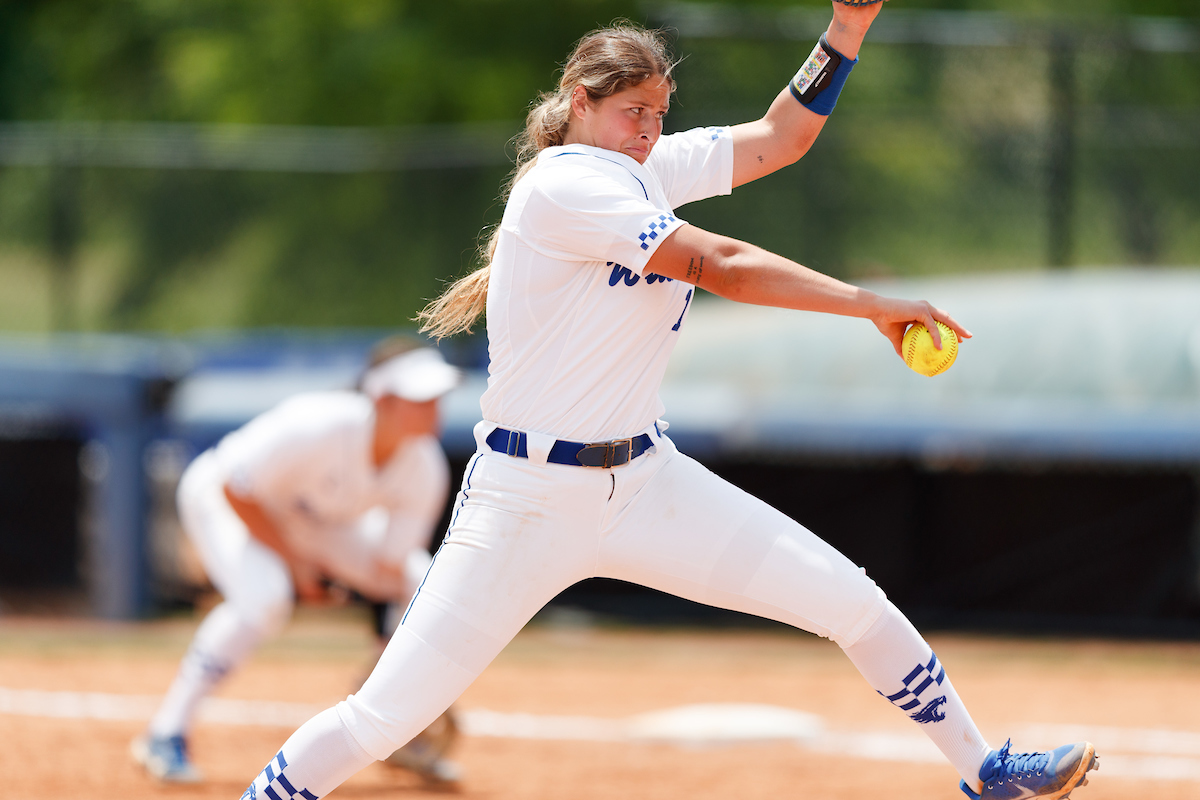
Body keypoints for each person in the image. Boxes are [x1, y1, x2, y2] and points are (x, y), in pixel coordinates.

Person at [238, 5, 1100, 800]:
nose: (649, 131)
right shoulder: (564, 185)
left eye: (658, 112)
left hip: (646, 484)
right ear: (580, 103)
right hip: (524, 503)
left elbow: (780, 138)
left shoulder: (647, 168)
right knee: (382, 719)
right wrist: (872, 304)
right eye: (632, 112)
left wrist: (846, 27)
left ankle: (984, 768)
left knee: (852, 601)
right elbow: (719, 263)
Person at [133, 338, 465, 787]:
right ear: (382, 399)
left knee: (420, 578)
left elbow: (390, 570)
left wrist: (393, 652)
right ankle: (165, 732)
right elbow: (237, 487)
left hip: (312, 518)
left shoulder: (424, 466)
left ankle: (397, 732)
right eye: (420, 398)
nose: (434, 408)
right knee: (266, 597)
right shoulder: (320, 423)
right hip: (223, 497)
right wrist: (295, 566)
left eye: (436, 397)